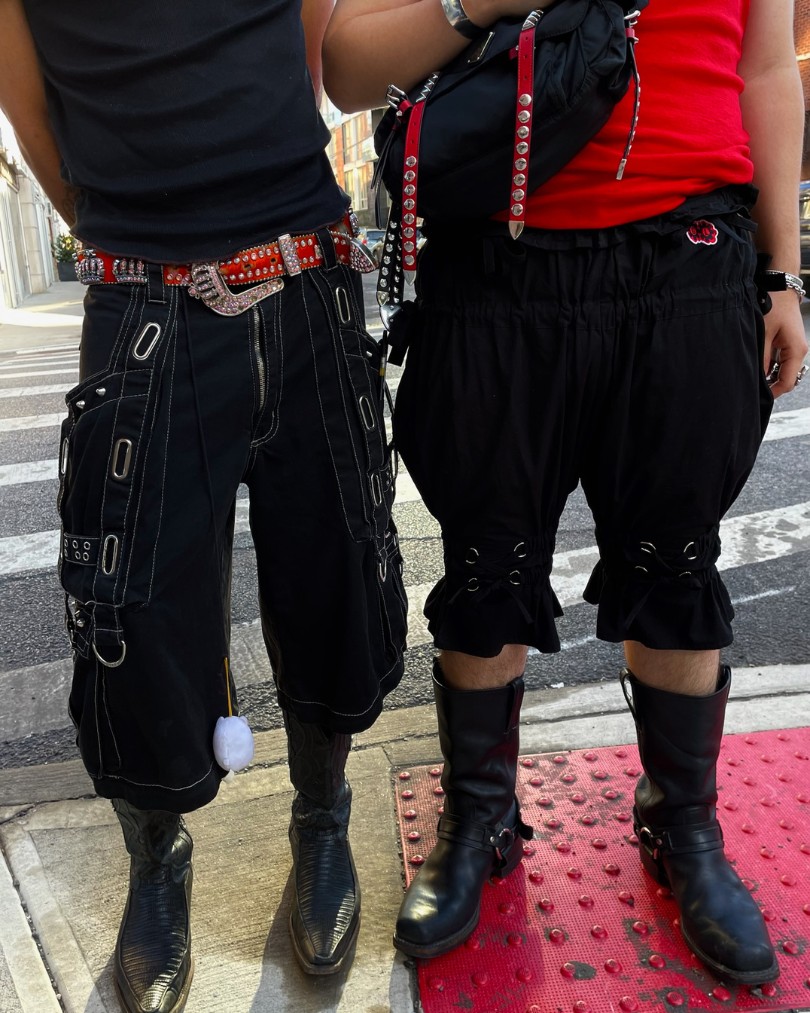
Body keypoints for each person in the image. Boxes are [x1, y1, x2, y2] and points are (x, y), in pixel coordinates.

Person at [323, 0, 807, 985]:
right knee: (485, 561)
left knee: (677, 559)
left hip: (692, 258)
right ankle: (479, 816)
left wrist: (782, 273)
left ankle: (683, 819)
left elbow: (764, 66)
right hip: (493, 261)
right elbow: (346, 68)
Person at [0, 0, 408, 1009]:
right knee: (133, 610)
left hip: (306, 269)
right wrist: (133, 228)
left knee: (336, 567)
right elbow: (28, 106)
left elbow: (310, 50)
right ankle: (158, 859)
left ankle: (321, 817)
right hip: (143, 289)